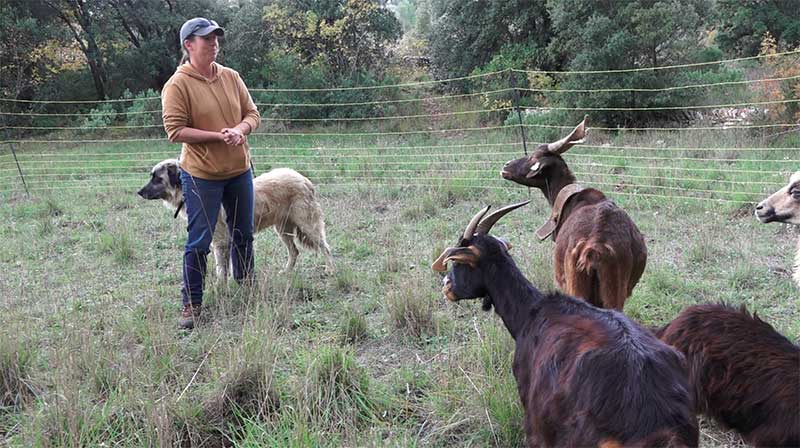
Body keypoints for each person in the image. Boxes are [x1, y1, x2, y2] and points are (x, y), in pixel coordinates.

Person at [161, 17, 261, 329]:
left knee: (243, 233)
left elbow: (252, 114)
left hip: (239, 171)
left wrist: (241, 130)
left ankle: (246, 291)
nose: (214, 44)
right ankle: (191, 305)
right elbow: (175, 131)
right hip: (201, 175)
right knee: (200, 241)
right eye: (207, 39)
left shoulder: (231, 76)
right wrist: (218, 136)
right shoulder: (177, 85)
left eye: (216, 38)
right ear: (188, 45)